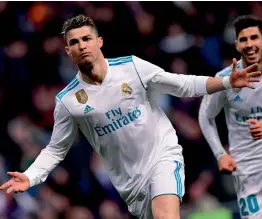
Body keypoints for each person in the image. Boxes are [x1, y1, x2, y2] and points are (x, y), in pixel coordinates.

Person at [0, 14, 260, 219]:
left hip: (162, 156)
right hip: (130, 183)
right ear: (68, 51)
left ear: (99, 42)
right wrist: (31, 176)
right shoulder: (68, 101)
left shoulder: (132, 66)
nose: (82, 45)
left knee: (166, 215)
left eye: (87, 39)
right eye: (74, 42)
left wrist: (225, 81)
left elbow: (182, 84)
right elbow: (56, 150)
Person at [199, 15, 262, 219]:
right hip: (247, 167)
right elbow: (205, 117)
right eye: (243, 40)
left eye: (254, 37)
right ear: (236, 45)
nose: (250, 44)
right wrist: (220, 154)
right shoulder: (224, 79)